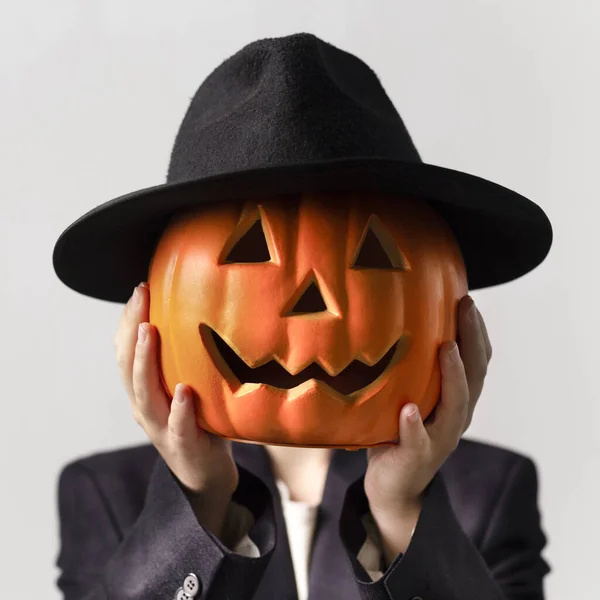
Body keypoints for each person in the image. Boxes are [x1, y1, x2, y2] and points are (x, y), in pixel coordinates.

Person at [52, 33, 552, 600]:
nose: (317, 304)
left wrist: (399, 510)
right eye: (249, 250)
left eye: (372, 256)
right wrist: (204, 497)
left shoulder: (490, 491)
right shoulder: (102, 493)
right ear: (155, 307)